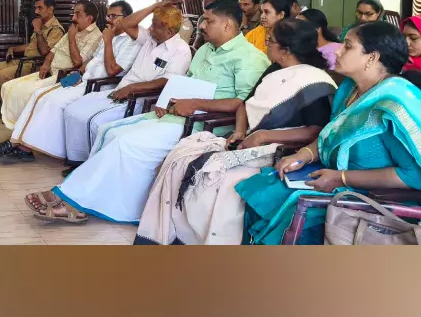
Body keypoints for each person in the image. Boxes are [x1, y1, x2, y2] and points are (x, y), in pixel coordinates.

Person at [24, 0, 269, 224]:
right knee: (109, 132)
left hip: (205, 124)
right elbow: (187, 81)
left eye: (208, 21)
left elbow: (243, 104)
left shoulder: (249, 58)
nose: (201, 26)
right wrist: (168, 98)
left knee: (127, 143)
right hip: (179, 113)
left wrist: (195, 104)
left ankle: (78, 202)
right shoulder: (206, 50)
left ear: (227, 25)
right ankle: (82, 196)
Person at [237, 21, 421, 245]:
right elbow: (331, 133)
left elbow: (414, 176)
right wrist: (302, 155)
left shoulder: (393, 104)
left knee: (287, 213)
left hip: (371, 204)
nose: (337, 50)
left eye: (348, 46)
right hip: (333, 182)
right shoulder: (349, 89)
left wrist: (341, 178)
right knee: (260, 188)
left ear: (372, 57)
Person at [134, 19, 337, 245]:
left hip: (281, 149)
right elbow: (244, 104)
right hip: (249, 140)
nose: (266, 45)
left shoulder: (315, 82)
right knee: (181, 157)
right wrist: (240, 130)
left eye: (270, 41)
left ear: (285, 50)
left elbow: (316, 131)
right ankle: (173, 236)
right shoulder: (275, 70)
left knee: (216, 177)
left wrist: (263, 135)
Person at [12, 1, 191, 170]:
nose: (150, 28)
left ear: (168, 30)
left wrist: (131, 88)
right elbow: (126, 25)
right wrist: (155, 6)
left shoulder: (180, 50)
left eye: (155, 25)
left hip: (135, 96)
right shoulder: (149, 39)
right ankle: (74, 159)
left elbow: (167, 81)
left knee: (90, 118)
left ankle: (87, 163)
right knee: (69, 108)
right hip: (110, 87)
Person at [0, 1, 141, 164]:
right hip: (82, 79)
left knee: (51, 101)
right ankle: (19, 142)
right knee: (38, 95)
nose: (109, 20)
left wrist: (108, 41)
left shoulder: (130, 41)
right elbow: (91, 61)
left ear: (127, 19)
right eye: (108, 16)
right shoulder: (109, 36)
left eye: (113, 16)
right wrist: (77, 74)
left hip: (99, 86)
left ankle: (22, 146)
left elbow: (112, 71)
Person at [0, 0, 102, 129]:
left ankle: (24, 131)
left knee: (28, 94)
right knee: (8, 87)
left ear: (89, 18)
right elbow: (53, 50)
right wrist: (46, 64)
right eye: (74, 14)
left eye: (77, 14)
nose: (73, 18)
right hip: (50, 71)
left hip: (64, 76)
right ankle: (16, 129)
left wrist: (71, 38)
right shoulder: (74, 29)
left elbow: (78, 62)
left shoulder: (96, 36)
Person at [0, 0, 64, 119]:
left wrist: (38, 30)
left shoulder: (56, 29)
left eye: (40, 8)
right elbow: (32, 45)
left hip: (37, 64)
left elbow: (45, 51)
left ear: (50, 9)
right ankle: (9, 107)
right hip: (25, 60)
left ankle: (12, 111)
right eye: (35, 8)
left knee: (3, 75)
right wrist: (14, 49)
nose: (36, 11)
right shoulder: (41, 23)